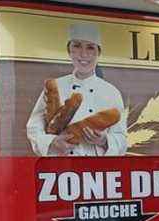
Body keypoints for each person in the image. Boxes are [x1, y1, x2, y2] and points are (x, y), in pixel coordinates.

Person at [27, 22, 128, 156]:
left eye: (90, 48)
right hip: (61, 167)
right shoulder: (55, 86)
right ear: (69, 51)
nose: (83, 54)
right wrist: (52, 142)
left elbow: (121, 138)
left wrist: (104, 141)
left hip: (96, 169)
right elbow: (34, 127)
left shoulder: (111, 92)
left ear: (99, 53)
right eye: (77, 46)